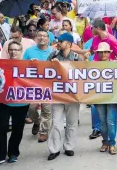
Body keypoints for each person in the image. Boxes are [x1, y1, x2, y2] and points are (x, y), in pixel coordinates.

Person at [0, 41, 29, 167]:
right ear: (7, 51)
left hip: (21, 103)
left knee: (18, 130)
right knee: (0, 128)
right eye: (11, 49)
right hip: (3, 102)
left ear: (21, 51)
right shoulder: (1, 65)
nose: (13, 52)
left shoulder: (27, 65)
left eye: (16, 50)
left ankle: (13, 153)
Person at [47, 33, 83, 161]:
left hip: (73, 95)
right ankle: (54, 149)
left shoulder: (77, 58)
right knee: (56, 123)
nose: (58, 43)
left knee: (71, 122)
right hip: (57, 94)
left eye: (61, 41)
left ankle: (69, 147)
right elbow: (44, 71)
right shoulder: (53, 55)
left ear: (68, 43)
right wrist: (52, 64)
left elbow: (83, 75)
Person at [22, 30, 53, 143]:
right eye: (39, 35)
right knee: (31, 108)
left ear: (48, 39)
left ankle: (44, 132)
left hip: (48, 85)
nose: (42, 38)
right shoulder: (29, 51)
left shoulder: (53, 51)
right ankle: (36, 121)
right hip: (33, 85)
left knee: (46, 110)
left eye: (44, 36)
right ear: (36, 38)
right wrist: (29, 63)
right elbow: (21, 67)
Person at [94, 42, 117, 155]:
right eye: (101, 52)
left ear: (109, 53)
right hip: (99, 98)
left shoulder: (116, 64)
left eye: (105, 52)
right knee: (103, 122)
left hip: (113, 98)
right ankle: (105, 141)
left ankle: (112, 143)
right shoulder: (92, 65)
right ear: (98, 54)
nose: (103, 54)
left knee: (111, 121)